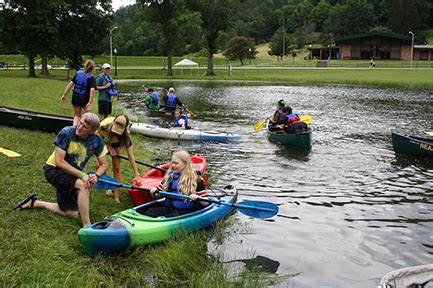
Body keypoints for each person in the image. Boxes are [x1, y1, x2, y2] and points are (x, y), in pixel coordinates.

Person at [13, 113, 108, 228]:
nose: (80, 127)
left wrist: (96, 175)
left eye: (85, 127)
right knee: (83, 185)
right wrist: (83, 175)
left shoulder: (97, 141)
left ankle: (35, 203)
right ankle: (87, 226)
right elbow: (59, 162)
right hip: (53, 169)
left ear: (92, 131)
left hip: (71, 173)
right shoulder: (66, 133)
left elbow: (104, 164)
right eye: (80, 123)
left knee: (71, 213)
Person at [145, 150, 207, 218]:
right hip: (170, 207)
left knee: (169, 217)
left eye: (176, 163)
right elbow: (158, 195)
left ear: (185, 164)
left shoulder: (196, 179)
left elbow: (205, 203)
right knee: (150, 211)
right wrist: (154, 192)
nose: (173, 165)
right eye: (172, 163)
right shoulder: (169, 177)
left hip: (186, 211)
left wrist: (198, 198)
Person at [97, 115, 140, 203]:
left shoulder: (126, 136)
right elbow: (96, 139)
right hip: (102, 140)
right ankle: (107, 187)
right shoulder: (103, 125)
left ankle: (117, 196)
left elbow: (131, 156)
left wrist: (136, 173)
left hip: (117, 143)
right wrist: (108, 147)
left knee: (117, 168)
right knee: (101, 165)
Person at [61, 60, 97, 126]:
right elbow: (92, 90)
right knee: (83, 117)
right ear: (92, 68)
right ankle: (79, 132)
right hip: (84, 99)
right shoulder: (91, 78)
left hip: (75, 97)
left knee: (77, 116)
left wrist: (64, 94)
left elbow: (70, 84)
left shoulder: (78, 73)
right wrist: (90, 102)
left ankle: (74, 129)